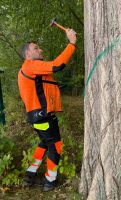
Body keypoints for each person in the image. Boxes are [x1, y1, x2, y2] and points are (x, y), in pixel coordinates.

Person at [18, 28, 76, 191]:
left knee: (44, 142)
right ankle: (50, 181)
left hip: (35, 117)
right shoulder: (31, 66)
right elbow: (57, 65)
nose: (40, 49)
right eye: (36, 48)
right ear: (28, 54)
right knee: (55, 146)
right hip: (43, 116)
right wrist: (71, 43)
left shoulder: (26, 69)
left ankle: (30, 175)